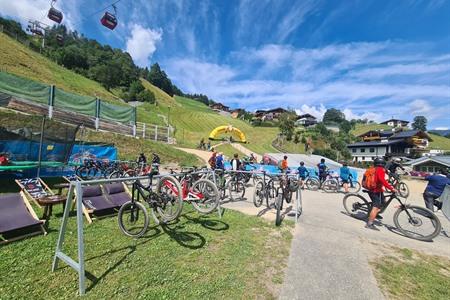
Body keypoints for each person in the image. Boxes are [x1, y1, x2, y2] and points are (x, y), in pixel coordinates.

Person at [366, 157, 397, 230]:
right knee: (376, 206)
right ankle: (369, 224)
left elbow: (382, 179)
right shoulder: (380, 170)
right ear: (383, 164)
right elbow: (382, 180)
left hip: (377, 189)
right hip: (374, 191)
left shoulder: (374, 168)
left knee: (383, 201)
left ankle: (375, 213)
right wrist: (391, 188)